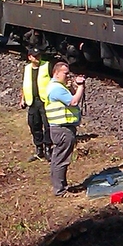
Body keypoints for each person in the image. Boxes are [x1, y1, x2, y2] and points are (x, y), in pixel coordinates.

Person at [45, 61, 86, 197]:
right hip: (62, 129)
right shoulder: (57, 89)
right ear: (56, 73)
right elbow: (73, 101)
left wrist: (73, 87)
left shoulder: (56, 86)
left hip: (60, 128)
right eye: (65, 73)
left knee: (58, 158)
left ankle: (61, 186)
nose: (68, 76)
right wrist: (80, 86)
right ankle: (60, 190)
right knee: (61, 159)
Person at [19, 47, 52, 162]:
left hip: (45, 101)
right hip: (32, 101)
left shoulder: (47, 66)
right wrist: (22, 99)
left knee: (47, 125)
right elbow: (25, 84)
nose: (38, 58)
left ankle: (48, 148)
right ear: (30, 57)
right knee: (34, 125)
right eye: (35, 56)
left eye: (39, 56)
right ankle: (39, 149)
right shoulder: (27, 68)